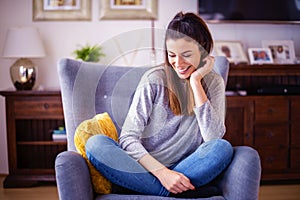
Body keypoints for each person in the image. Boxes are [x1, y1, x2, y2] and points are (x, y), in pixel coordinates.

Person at [85, 12, 233, 198]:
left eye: (186, 55)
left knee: (222, 148)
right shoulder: (154, 79)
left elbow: (213, 138)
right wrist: (163, 174)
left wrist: (196, 82)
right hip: (144, 169)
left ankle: (149, 189)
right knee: (95, 144)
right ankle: (173, 192)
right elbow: (128, 139)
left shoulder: (213, 82)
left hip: (187, 168)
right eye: (172, 55)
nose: (178, 63)